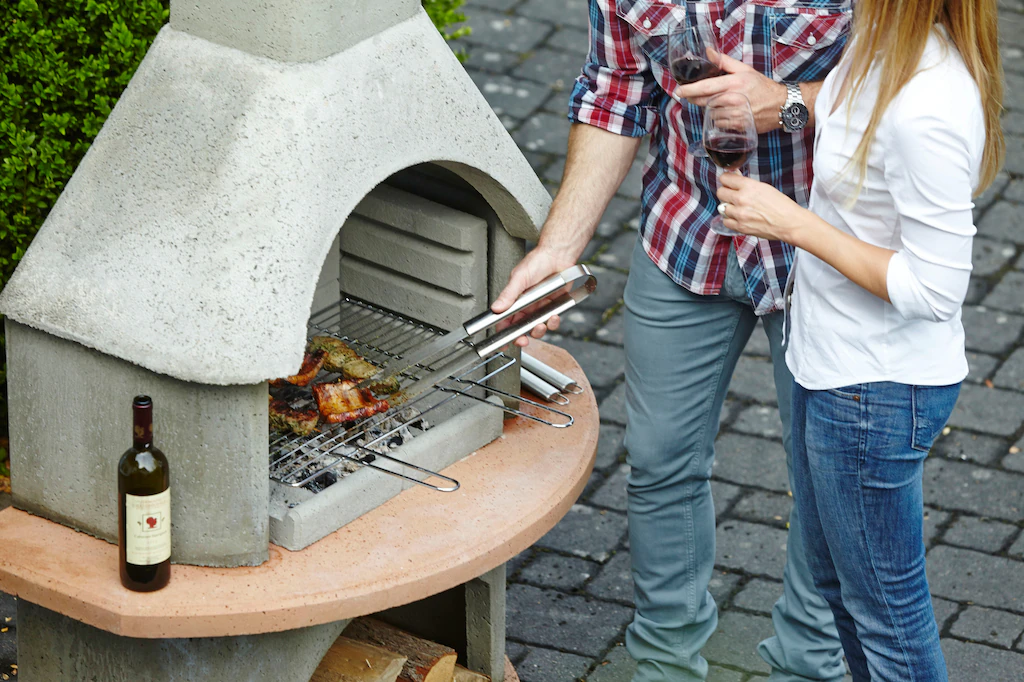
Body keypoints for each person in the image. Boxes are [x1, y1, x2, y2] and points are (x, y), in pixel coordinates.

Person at [491, 1, 854, 680]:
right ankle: (665, 663)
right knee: (659, 461)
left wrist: (795, 103)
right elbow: (615, 87)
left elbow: (923, 82)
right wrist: (559, 249)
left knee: (827, 475)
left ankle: (810, 663)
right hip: (688, 229)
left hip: (828, 247)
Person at [713, 0, 1004, 678]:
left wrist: (791, 223)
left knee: (888, 619)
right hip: (831, 367)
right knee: (844, 594)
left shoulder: (927, 106)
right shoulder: (878, 45)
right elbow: (840, 116)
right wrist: (778, 102)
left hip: (876, 393)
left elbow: (937, 290)